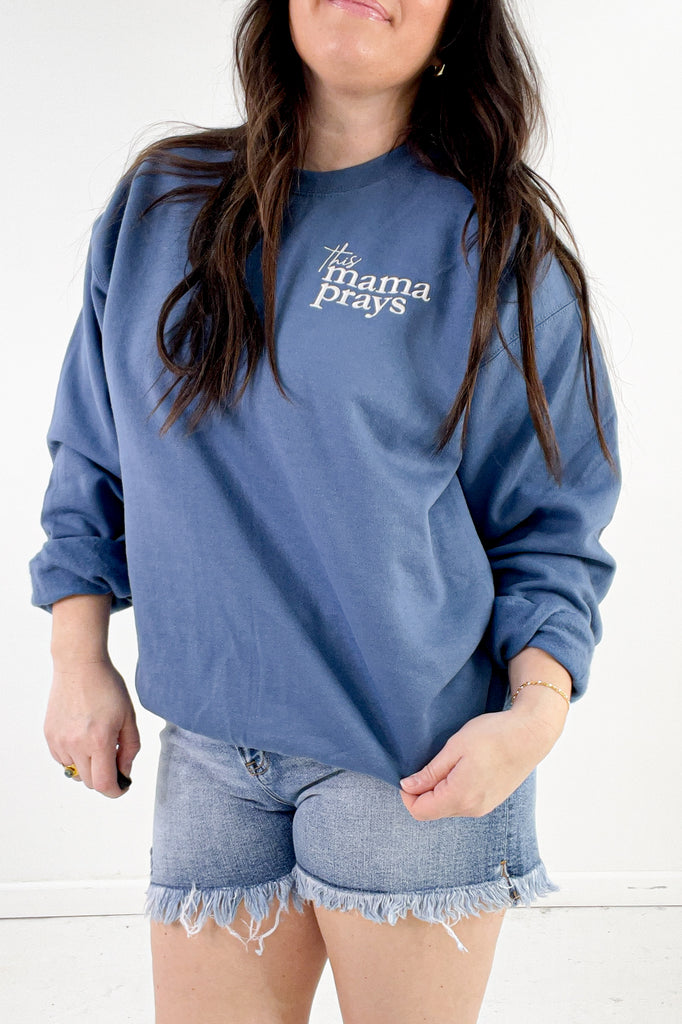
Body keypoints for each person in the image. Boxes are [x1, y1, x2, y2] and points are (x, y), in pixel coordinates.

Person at [28, 1, 622, 1021]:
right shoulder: (161, 202)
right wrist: (76, 657)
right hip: (209, 747)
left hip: (415, 757)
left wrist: (532, 718)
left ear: (456, 23)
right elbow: (93, 451)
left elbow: (551, 523)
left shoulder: (494, 239)